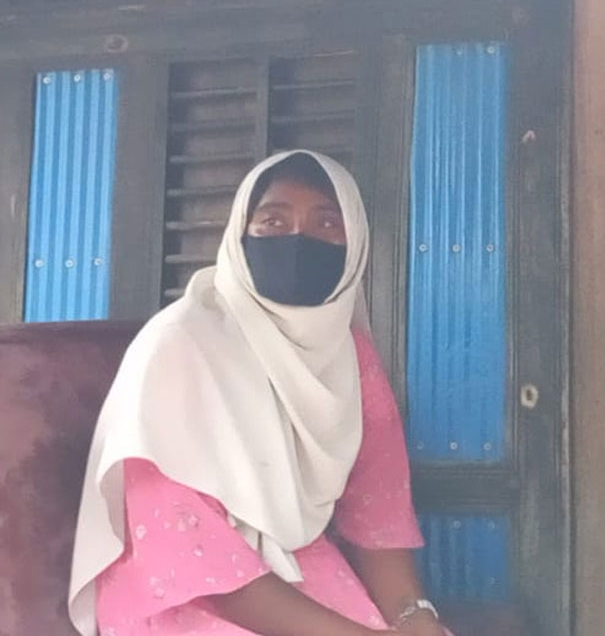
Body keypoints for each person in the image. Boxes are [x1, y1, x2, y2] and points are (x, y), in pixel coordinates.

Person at [68, 150, 453, 636]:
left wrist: (415, 615)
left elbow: (377, 510)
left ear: (355, 245)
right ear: (239, 234)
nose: (298, 239)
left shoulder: (351, 358)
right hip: (178, 590)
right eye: (273, 221)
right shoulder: (179, 345)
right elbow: (185, 546)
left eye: (327, 222)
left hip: (299, 568)